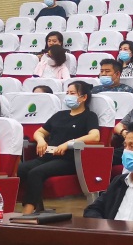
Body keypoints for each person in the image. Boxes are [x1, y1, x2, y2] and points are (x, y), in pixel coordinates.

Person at [16, 80, 101, 214]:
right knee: (19, 169)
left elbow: (95, 136)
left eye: (72, 93)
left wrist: (69, 143)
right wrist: (40, 141)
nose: (68, 96)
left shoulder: (89, 116)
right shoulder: (60, 115)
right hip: (47, 156)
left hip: (69, 159)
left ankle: (27, 212)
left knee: (36, 172)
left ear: (84, 97)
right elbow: (39, 132)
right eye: (67, 93)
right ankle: (24, 206)